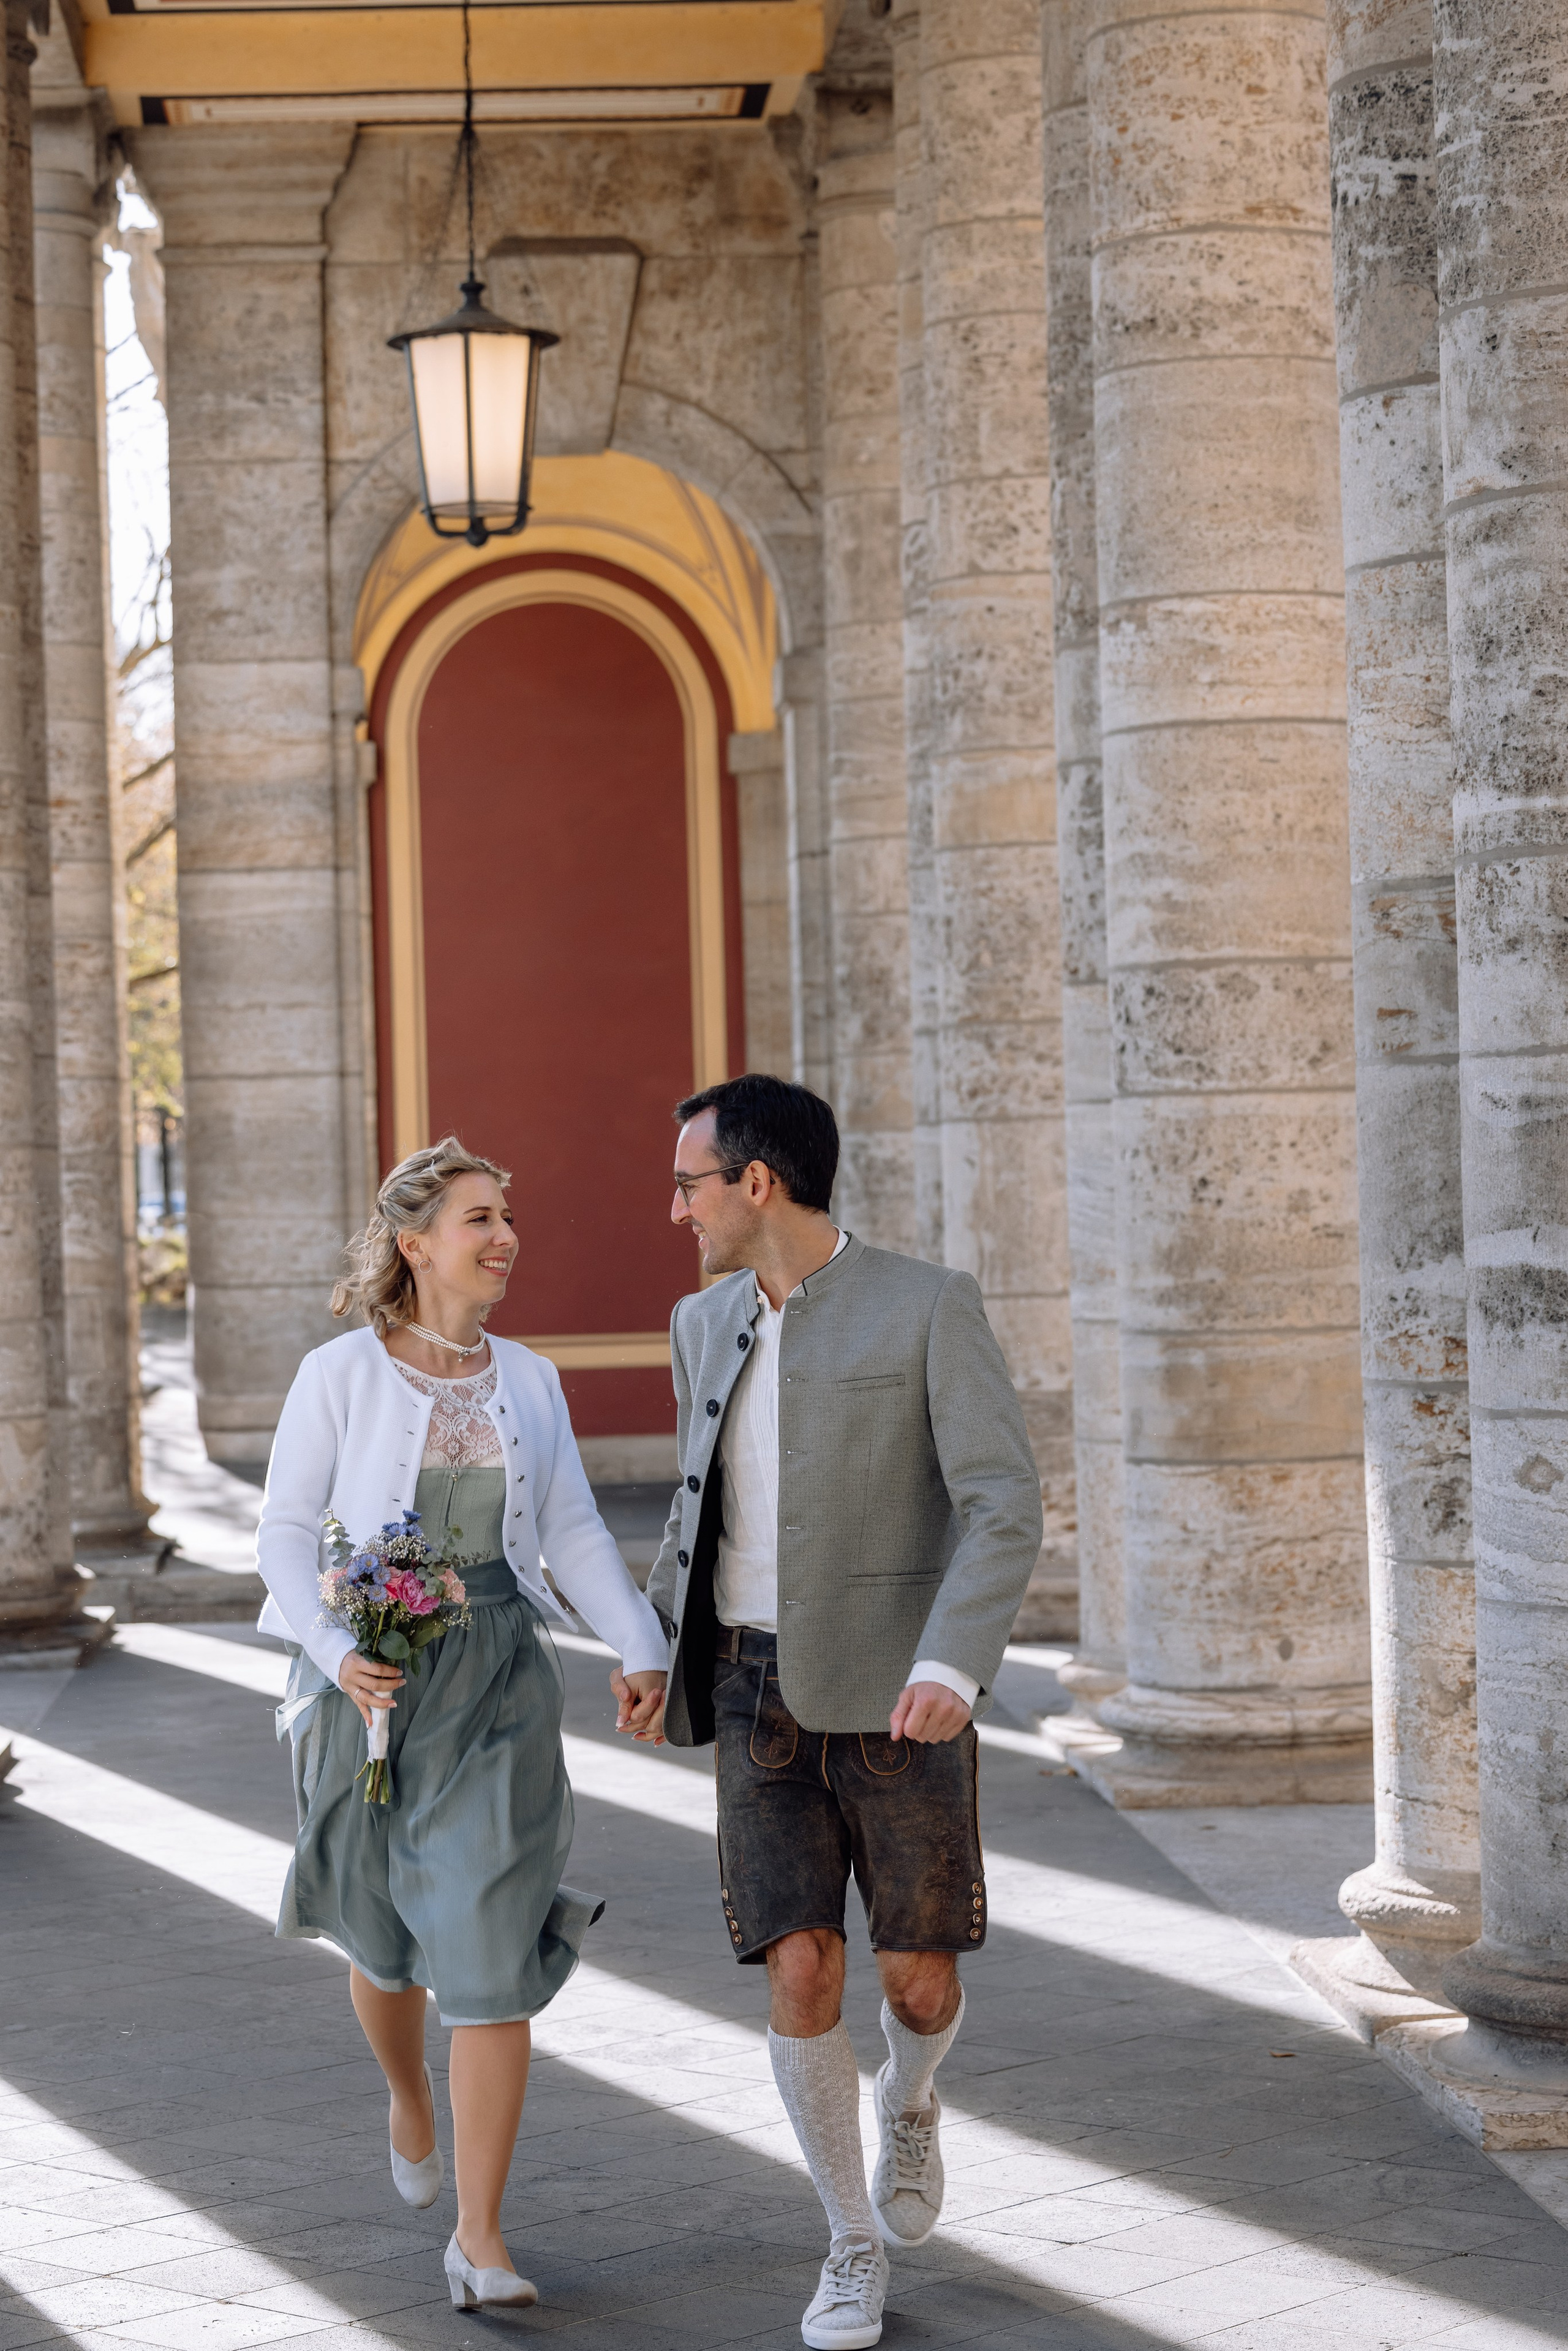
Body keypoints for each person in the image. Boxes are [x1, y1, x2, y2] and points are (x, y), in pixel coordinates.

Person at [646, 1075, 1043, 2351]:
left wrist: (954, 1661)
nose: (674, 1208)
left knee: (915, 1983)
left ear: (754, 1182)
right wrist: (663, 1648)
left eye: (688, 1182)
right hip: (753, 1689)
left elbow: (999, 1500)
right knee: (799, 1963)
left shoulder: (928, 1304)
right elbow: (693, 1505)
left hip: (897, 1694)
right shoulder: (697, 1324)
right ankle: (847, 2241)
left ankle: (912, 2097)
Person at [255, 1138, 668, 2312]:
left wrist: (639, 1643)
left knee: (488, 1957)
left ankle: (480, 2239)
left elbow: (573, 1530)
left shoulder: (529, 1380)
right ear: (415, 1241)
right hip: (371, 1689)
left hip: (495, 1685)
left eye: (506, 1216)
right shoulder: (337, 1374)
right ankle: (408, 2093)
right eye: (479, 1217)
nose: (503, 1237)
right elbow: (284, 1534)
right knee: (382, 1945)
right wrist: (335, 1657)